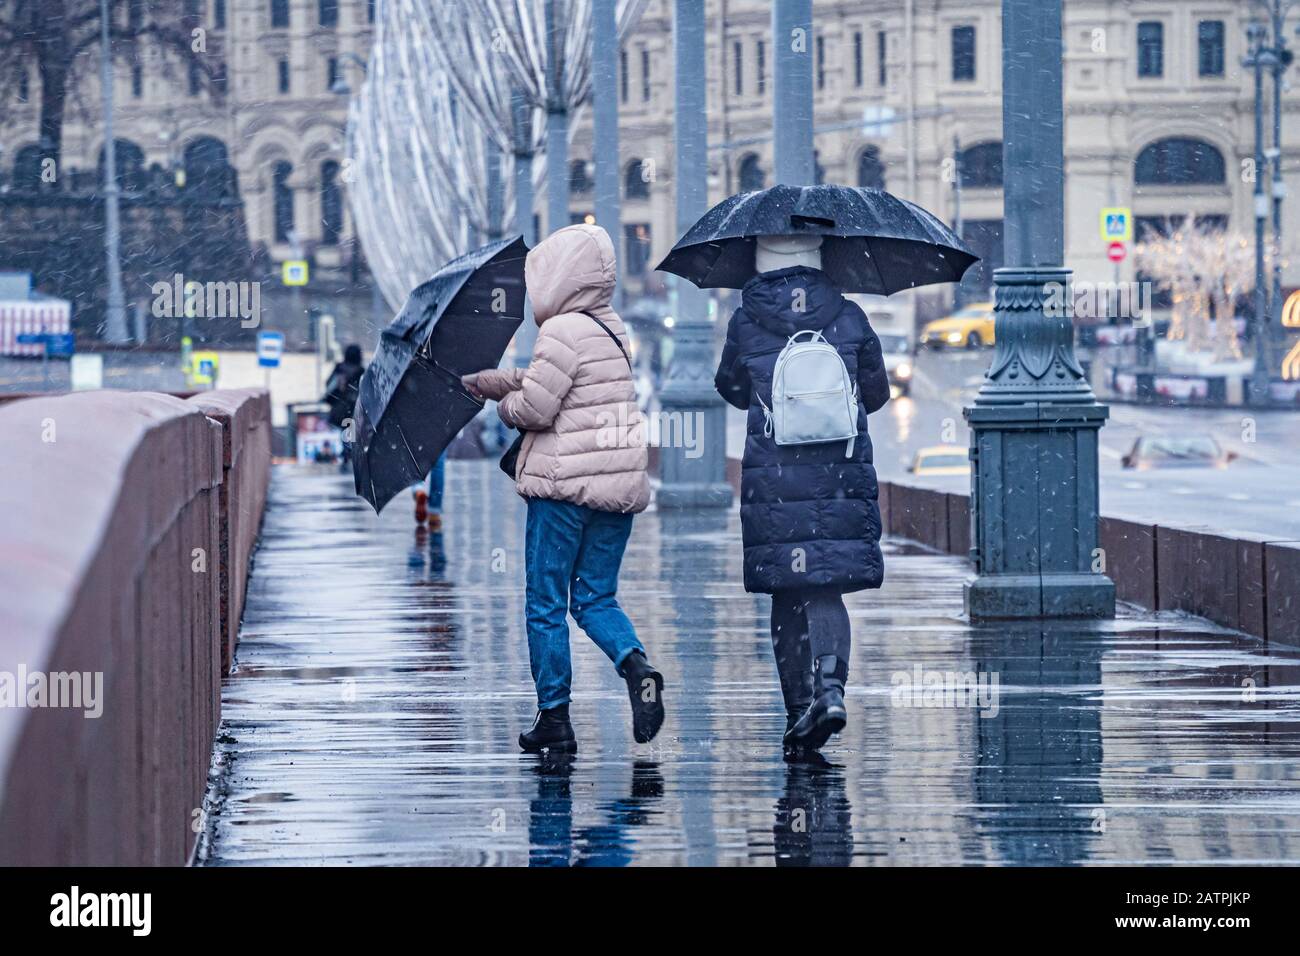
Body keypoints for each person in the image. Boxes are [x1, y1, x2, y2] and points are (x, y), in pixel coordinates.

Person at [463, 223, 663, 755]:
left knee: (546, 602)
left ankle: (555, 717)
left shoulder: (559, 331)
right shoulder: (611, 328)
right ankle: (635, 664)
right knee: (595, 595)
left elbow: (537, 407)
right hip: (616, 489)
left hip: (563, 489)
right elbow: (563, 381)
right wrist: (500, 378)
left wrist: (502, 405)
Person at [713, 234, 891, 757]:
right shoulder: (850, 315)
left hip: (776, 480)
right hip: (839, 475)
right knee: (827, 586)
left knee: (787, 591)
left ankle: (798, 713)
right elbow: (876, 393)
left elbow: (731, 387)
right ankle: (831, 690)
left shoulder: (746, 319)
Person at [324, 343, 365, 467]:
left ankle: (346, 451)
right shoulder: (361, 370)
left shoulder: (340, 368)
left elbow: (328, 384)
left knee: (345, 428)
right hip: (354, 406)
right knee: (351, 428)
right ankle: (349, 451)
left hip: (339, 406)